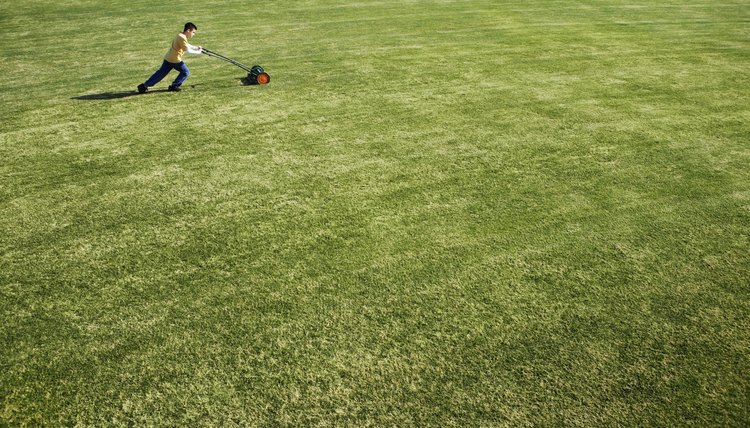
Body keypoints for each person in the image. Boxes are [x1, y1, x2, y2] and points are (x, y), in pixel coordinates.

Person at [138, 22, 202, 93]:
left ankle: (144, 86)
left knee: (160, 74)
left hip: (168, 57)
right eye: (193, 32)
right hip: (175, 60)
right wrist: (199, 52)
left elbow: (187, 45)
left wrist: (196, 48)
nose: (194, 34)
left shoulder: (180, 35)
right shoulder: (182, 38)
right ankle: (174, 86)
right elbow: (187, 50)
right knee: (185, 72)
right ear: (188, 31)